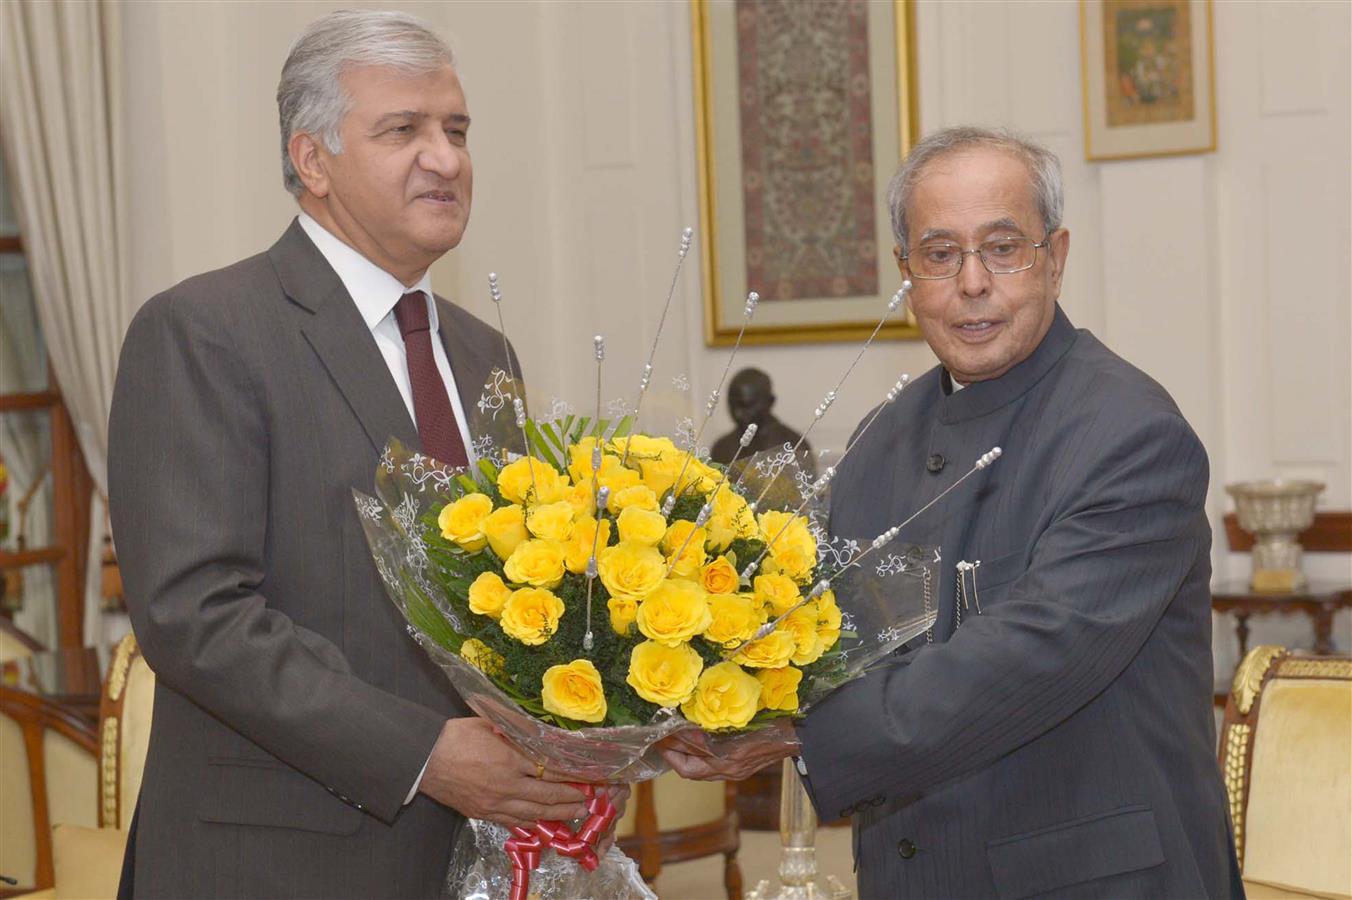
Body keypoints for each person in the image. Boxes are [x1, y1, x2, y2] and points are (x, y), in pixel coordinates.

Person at [108, 11, 621, 897]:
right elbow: (194, 614)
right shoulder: (207, 331)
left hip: (466, 857)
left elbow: (509, 601)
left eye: (455, 130)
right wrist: (424, 753)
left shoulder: (483, 354)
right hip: (277, 861)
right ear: (312, 161)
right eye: (403, 130)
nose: (447, 157)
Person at [663, 127, 1242, 898]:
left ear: (1056, 258)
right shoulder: (879, 440)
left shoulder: (1131, 433)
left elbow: (1033, 654)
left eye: (1003, 248)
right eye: (939, 255)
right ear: (906, 275)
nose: (972, 282)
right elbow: (807, 627)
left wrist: (794, 733)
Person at [709, 367, 815, 476]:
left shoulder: (794, 445)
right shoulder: (722, 448)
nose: (738, 414)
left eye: (747, 406)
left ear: (770, 401)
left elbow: (806, 489)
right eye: (733, 405)